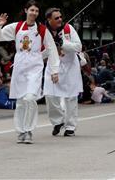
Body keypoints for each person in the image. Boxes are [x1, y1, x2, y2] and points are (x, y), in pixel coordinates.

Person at [0, 0, 60, 144]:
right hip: (20, 67)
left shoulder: (42, 29)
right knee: (21, 101)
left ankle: (29, 130)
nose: (34, 13)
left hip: (35, 66)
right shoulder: (16, 27)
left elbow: (52, 49)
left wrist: (54, 70)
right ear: (26, 10)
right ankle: (21, 131)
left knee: (30, 98)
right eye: (32, 10)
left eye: (36, 11)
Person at [43, 8, 83, 136]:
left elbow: (78, 46)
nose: (60, 19)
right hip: (53, 66)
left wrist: (63, 43)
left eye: (60, 17)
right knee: (49, 95)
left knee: (70, 97)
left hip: (70, 66)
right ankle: (58, 121)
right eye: (56, 18)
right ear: (49, 20)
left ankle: (70, 126)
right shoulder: (43, 31)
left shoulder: (68, 29)